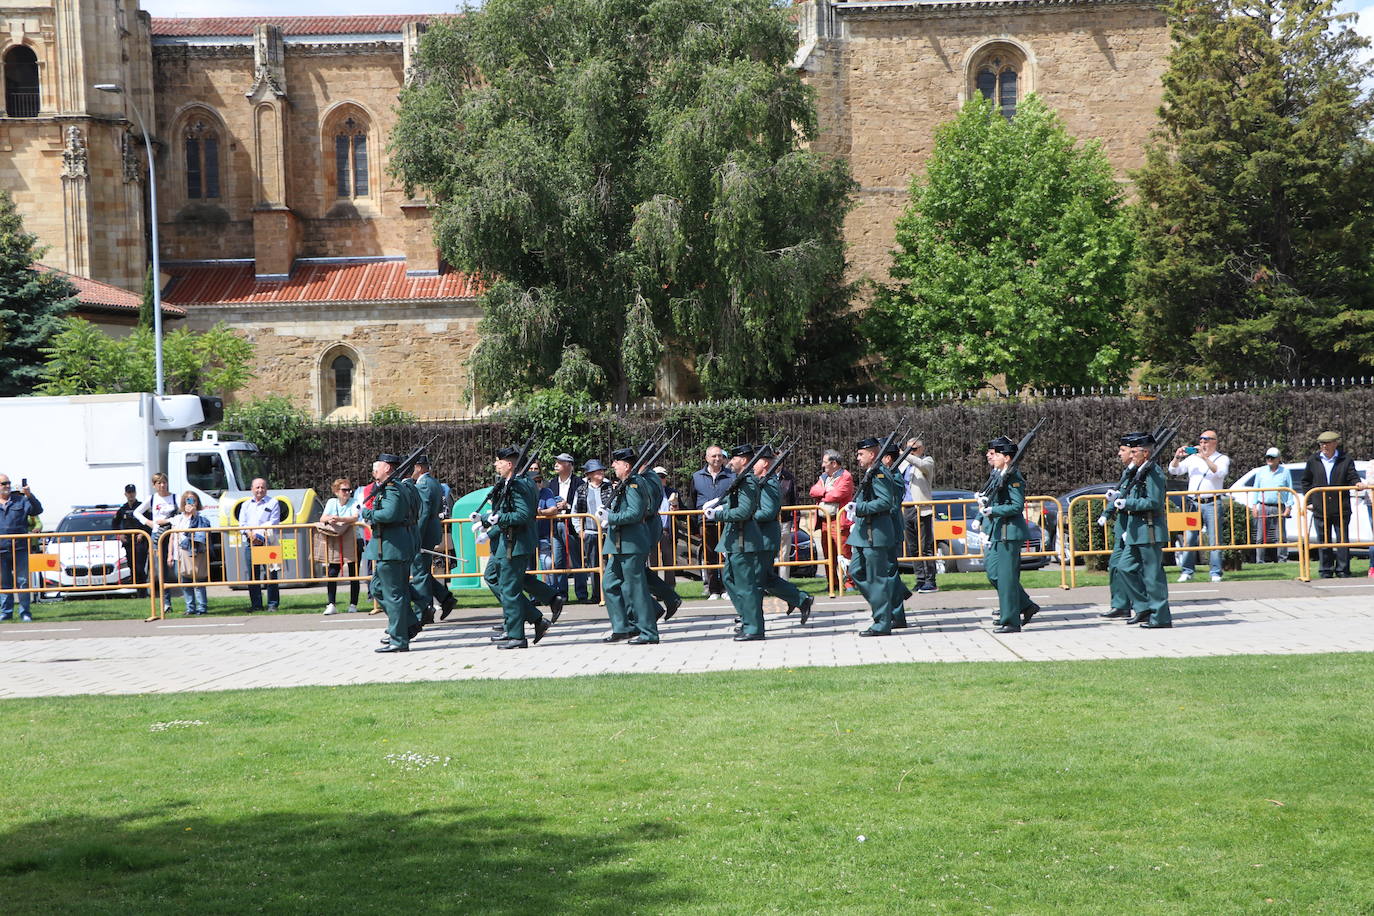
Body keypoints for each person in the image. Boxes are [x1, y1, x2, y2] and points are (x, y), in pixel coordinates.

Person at [475, 445, 553, 649]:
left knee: (510, 591)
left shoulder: (519, 485)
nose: (495, 464)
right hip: (507, 542)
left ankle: (517, 636)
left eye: (499, 461)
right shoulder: (511, 482)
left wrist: (498, 518)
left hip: (514, 544)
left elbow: (523, 515)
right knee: (509, 588)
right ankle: (516, 628)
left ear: (509, 464)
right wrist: (485, 521)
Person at [706, 444, 768, 641]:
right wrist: (719, 505)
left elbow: (744, 511)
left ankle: (754, 627)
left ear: (743, 460)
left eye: (734, 458)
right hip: (736, 540)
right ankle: (747, 619)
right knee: (730, 580)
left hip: (744, 540)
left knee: (746, 585)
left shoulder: (748, 481)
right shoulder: (740, 480)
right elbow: (735, 504)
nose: (730, 461)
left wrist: (718, 514)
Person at [977, 436, 1039, 634]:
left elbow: (1017, 506)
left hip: (1008, 533)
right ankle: (1026, 605)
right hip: (998, 531)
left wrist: (992, 511)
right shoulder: (998, 475)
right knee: (994, 573)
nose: (992, 457)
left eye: (996, 455)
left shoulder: (1013, 477)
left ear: (1007, 457)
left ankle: (1011, 620)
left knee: (1006, 578)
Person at [598, 447, 658, 644]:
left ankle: (649, 633)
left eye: (616, 462)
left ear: (626, 465)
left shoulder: (634, 484)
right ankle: (622, 627)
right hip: (618, 545)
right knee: (609, 584)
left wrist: (611, 518)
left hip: (631, 544)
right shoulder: (625, 483)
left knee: (636, 589)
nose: (613, 465)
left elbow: (635, 513)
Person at [1113, 432, 1172, 628]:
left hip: (1150, 530)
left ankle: (1160, 617)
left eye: (1135, 452)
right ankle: (1144, 608)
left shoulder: (1153, 473)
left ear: (1145, 453)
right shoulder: (1138, 471)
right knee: (1124, 568)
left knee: (1153, 576)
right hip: (1136, 531)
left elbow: (1154, 501)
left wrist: (1127, 503)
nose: (1131, 455)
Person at [364, 454, 421, 652]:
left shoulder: (392, 488)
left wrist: (367, 514)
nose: (373, 471)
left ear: (387, 468)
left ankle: (398, 640)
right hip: (389, 548)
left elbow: (389, 514)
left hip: (391, 549)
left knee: (393, 594)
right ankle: (408, 623)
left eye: (376, 467)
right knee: (379, 588)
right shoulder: (393, 487)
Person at [845, 438, 903, 636]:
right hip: (863, 534)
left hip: (874, 534)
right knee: (856, 572)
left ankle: (881, 623)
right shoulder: (871, 472)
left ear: (872, 454)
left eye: (861, 454)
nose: (857, 457)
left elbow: (886, 502)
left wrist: (859, 508)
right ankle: (884, 605)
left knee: (877, 579)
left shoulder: (879, 473)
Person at [752, 445, 813, 624]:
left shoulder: (770, 482)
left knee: (758, 578)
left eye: (756, 460)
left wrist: (746, 515)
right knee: (765, 577)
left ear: (764, 462)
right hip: (760, 536)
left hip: (765, 536)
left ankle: (751, 618)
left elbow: (768, 511)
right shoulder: (759, 480)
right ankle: (801, 599)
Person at [1168, 428, 1231, 582]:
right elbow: (1174, 470)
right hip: (1193, 505)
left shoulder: (1222, 458)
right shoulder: (1192, 458)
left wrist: (1204, 458)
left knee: (1214, 540)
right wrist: (1177, 457)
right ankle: (1187, 571)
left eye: (1206, 440)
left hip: (1212, 503)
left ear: (1214, 442)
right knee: (1189, 538)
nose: (1202, 443)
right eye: (1201, 440)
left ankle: (1215, 572)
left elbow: (1220, 473)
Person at [1298, 431, 1362, 579]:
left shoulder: (1345, 459)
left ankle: (1343, 570)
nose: (1324, 446)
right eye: (1321, 444)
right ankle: (1325, 570)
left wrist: (1357, 483)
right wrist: (1309, 501)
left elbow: (1352, 475)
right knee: (1323, 541)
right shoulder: (1313, 460)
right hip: (1320, 508)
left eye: (1327, 443)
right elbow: (1306, 481)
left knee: (1342, 540)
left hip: (1341, 507)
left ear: (1335, 444)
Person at [1099, 435, 1138, 620]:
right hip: (1122, 526)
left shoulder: (1140, 472)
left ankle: (1143, 606)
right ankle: (1120, 605)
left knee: (1132, 568)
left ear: (1132, 452)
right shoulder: (1128, 472)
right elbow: (1121, 494)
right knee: (1115, 565)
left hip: (1132, 526)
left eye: (1122, 450)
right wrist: (1107, 512)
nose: (1119, 453)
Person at [1231, 448, 1294, 563]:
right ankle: (1259, 561)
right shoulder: (1260, 471)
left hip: (1279, 506)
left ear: (1278, 459)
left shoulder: (1285, 472)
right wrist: (1254, 506)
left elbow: (1290, 490)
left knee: (1280, 536)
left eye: (1272, 457)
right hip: (1263, 506)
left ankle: (1282, 560)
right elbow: (1256, 489)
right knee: (1260, 536)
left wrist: (1289, 507)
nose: (1269, 460)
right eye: (1267, 457)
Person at [637, 460, 681, 620]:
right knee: (637, 570)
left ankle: (659, 604)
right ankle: (666, 599)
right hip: (648, 529)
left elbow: (646, 507)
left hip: (646, 529)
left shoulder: (647, 480)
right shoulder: (647, 479)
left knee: (633, 571)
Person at [691, 446, 735, 600]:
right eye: (714, 456)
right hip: (705, 522)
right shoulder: (696, 476)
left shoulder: (731, 476)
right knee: (709, 556)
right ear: (706, 458)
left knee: (726, 554)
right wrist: (694, 523)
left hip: (725, 520)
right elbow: (693, 499)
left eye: (720, 456)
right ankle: (713, 589)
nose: (717, 459)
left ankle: (726, 587)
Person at [541, 453, 586, 602]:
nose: (556, 464)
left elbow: (582, 503)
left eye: (560, 462)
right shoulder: (552, 483)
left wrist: (567, 505)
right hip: (555, 524)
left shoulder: (579, 483)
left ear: (569, 465)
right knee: (558, 560)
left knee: (576, 559)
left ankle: (581, 594)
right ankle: (562, 594)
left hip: (571, 525)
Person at [410, 455, 449, 625]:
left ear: (419, 467)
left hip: (423, 534)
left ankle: (424, 611)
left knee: (419, 574)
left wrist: (415, 536)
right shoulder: (434, 482)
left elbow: (423, 513)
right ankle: (445, 598)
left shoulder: (424, 484)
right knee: (423, 571)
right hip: (431, 532)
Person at [810, 449, 855, 593]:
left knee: (844, 553)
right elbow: (813, 491)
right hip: (825, 522)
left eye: (825, 462)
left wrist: (823, 494)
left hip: (839, 521)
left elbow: (837, 495)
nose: (823, 465)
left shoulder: (846, 476)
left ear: (834, 463)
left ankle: (849, 583)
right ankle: (832, 583)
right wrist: (825, 491)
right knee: (829, 554)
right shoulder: (823, 477)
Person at [0, 474, 43, 622]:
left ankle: (25, 612)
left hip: (20, 548)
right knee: (4, 582)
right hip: (1, 550)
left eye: (8, 483)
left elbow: (37, 510)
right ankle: (6, 612)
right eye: (4, 483)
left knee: (23, 581)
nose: (7, 485)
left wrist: (29, 495)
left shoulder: (21, 500)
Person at [137, 472, 180, 614]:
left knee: (175, 566)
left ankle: (190, 600)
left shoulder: (175, 497)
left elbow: (183, 514)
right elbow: (137, 512)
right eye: (159, 483)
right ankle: (165, 602)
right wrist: (149, 523)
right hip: (157, 535)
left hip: (172, 533)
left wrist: (168, 521)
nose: (162, 485)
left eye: (164, 482)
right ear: (154, 485)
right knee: (160, 570)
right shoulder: (152, 499)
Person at [900, 438, 938, 594]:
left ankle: (931, 580)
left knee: (926, 546)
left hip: (922, 509)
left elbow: (921, 465)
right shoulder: (903, 465)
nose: (911, 451)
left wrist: (905, 454)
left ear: (922, 449)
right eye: (909, 448)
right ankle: (920, 579)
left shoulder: (927, 461)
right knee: (913, 547)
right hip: (906, 508)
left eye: (914, 448)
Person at [319, 477, 362, 614]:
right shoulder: (332, 502)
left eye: (349, 490)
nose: (347, 492)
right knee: (332, 572)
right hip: (336, 540)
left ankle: (353, 604)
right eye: (344, 490)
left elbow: (355, 517)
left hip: (354, 539)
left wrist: (337, 518)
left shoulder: (355, 501)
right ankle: (331, 603)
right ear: (336, 491)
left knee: (353, 573)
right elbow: (323, 518)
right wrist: (330, 518)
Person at [238, 477, 282, 611]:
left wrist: (259, 535)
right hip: (250, 543)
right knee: (253, 575)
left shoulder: (273, 503)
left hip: (268, 543)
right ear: (252, 489)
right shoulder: (246, 505)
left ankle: (272, 604)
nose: (260, 490)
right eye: (257, 487)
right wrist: (250, 534)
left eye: (262, 487)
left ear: (266, 489)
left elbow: (273, 522)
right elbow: (242, 524)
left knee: (271, 574)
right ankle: (256, 605)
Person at [169, 490, 211, 616]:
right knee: (184, 582)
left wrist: (194, 514)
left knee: (198, 581)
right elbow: (171, 537)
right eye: (188, 500)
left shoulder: (201, 518)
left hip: (195, 553)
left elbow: (205, 531)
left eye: (193, 500)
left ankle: (202, 607)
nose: (190, 503)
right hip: (178, 554)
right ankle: (190, 607)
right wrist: (169, 555)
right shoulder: (177, 518)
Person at [573, 459, 608, 603]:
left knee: (609, 564)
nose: (601, 473)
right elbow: (575, 512)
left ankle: (610, 593)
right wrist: (579, 530)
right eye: (597, 471)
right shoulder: (581, 490)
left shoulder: (609, 487)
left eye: (601, 470)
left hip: (608, 531)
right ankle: (597, 595)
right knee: (594, 566)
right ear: (589, 474)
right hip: (591, 532)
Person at [112, 483, 151, 592]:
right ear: (125, 494)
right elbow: (114, 524)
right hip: (128, 542)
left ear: (135, 493)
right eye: (129, 493)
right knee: (131, 566)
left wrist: (142, 533)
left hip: (140, 541)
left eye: (132, 492)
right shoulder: (123, 509)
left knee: (139, 567)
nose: (131, 495)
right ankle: (135, 590)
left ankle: (143, 591)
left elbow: (149, 522)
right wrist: (120, 534)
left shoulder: (141, 507)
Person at [653, 466, 679, 588]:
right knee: (652, 562)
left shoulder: (672, 492)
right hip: (651, 532)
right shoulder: (647, 492)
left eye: (662, 476)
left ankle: (670, 589)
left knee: (669, 561)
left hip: (667, 531)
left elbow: (684, 511)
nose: (660, 479)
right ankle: (654, 589)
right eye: (657, 477)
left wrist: (676, 508)